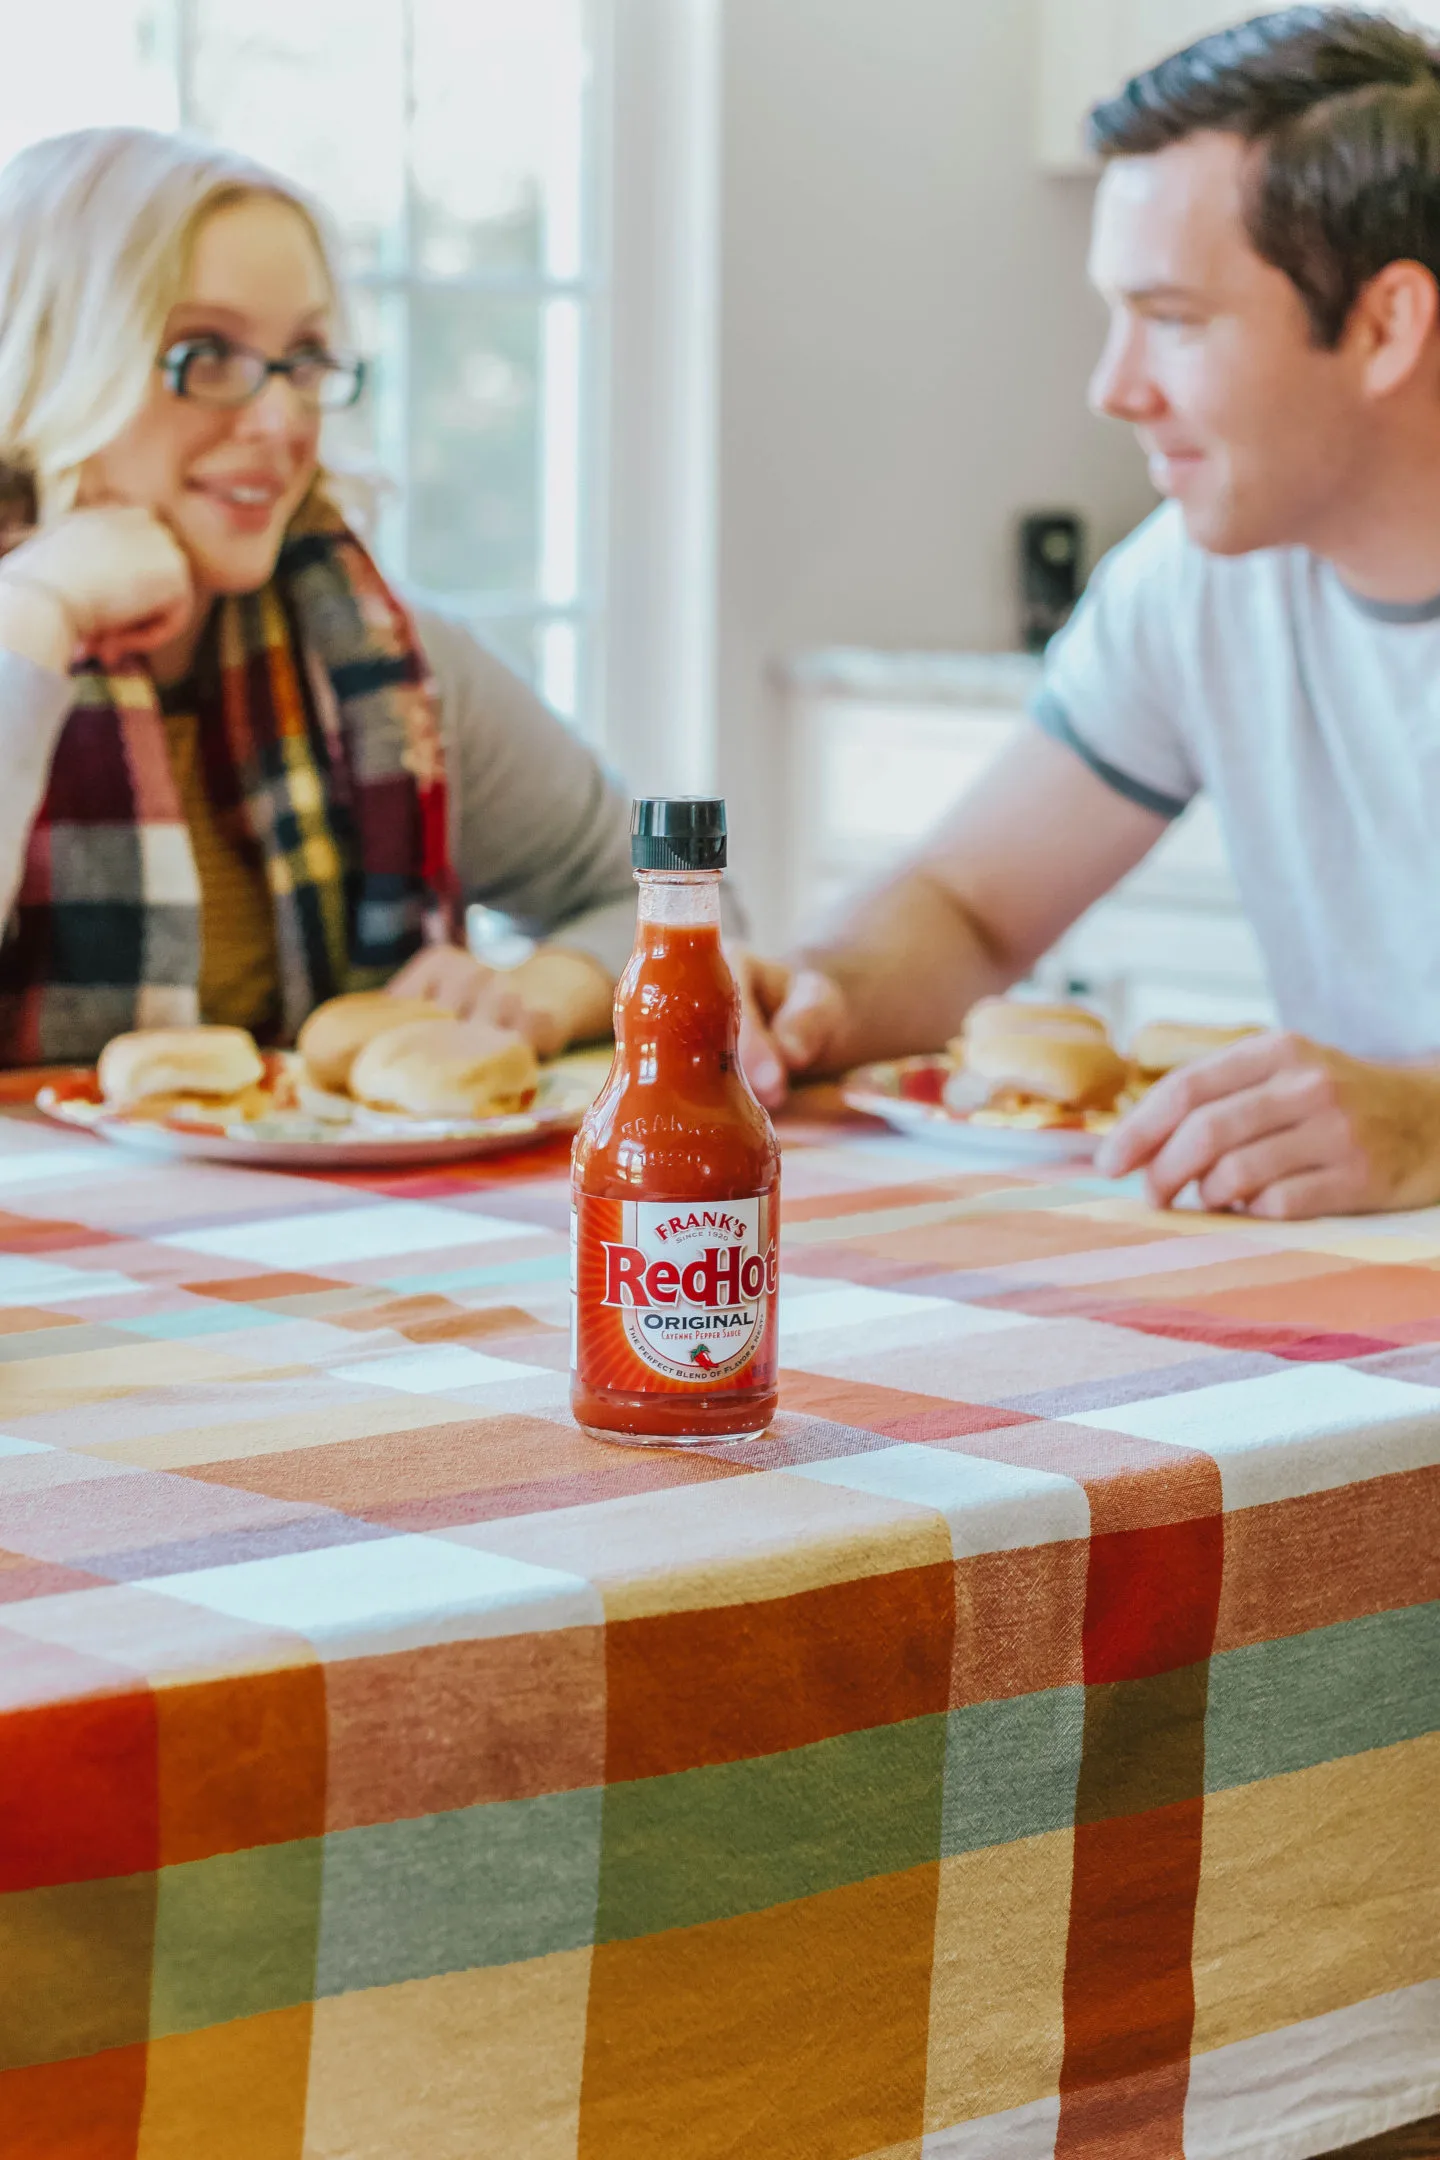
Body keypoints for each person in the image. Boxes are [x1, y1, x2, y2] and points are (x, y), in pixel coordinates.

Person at [742, 4, 1440, 1221]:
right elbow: (968, 907)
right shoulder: (1196, 581)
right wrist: (821, 995)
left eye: (1173, 321)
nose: (1113, 388)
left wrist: (1427, 1120)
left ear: (1386, 327)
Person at [0, 127, 637, 1066]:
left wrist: (543, 990)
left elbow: (665, 897)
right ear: (53, 362)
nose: (279, 420)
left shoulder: (383, 658)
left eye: (303, 359)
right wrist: (33, 616)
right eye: (204, 354)